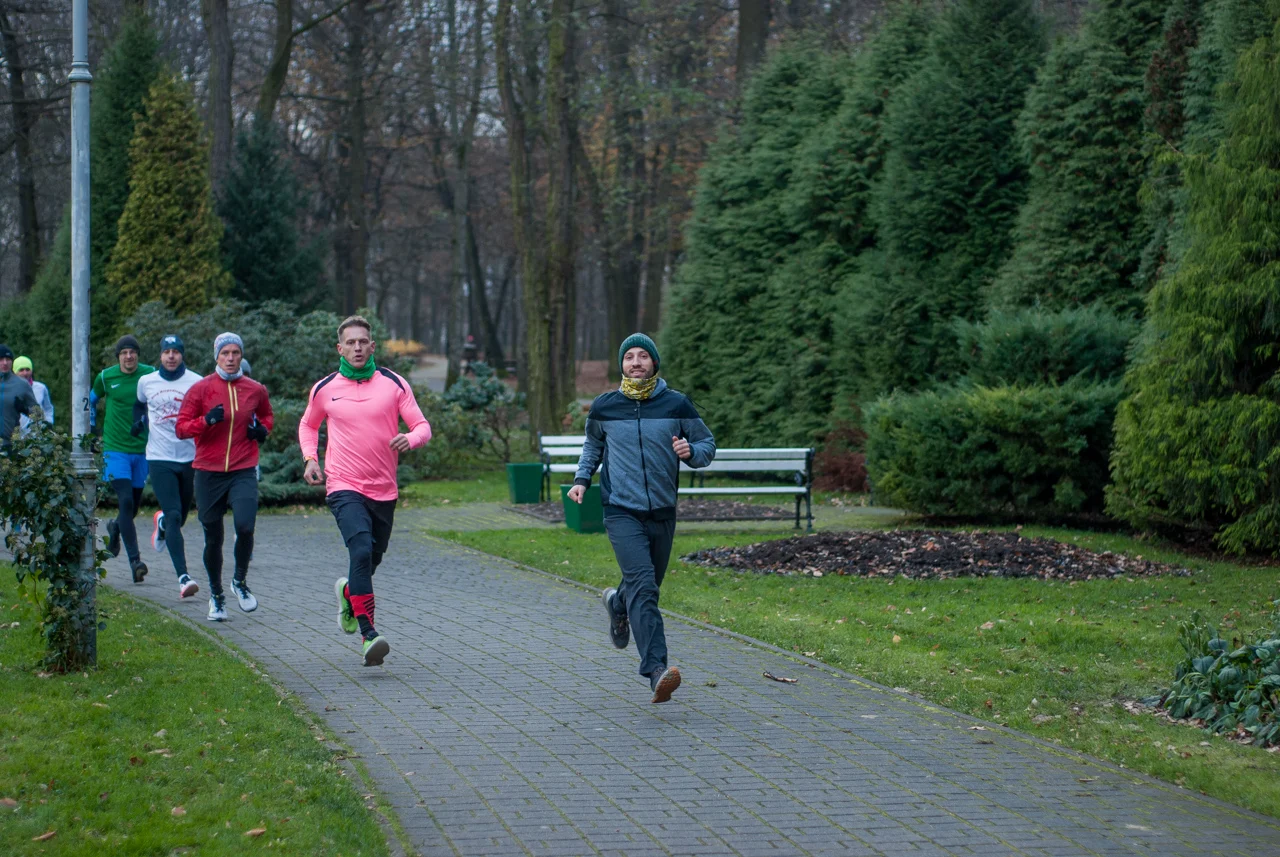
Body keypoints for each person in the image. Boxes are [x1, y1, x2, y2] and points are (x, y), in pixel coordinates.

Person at [568, 333, 716, 703]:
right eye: (629, 356)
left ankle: (618, 603)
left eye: (643, 356)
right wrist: (582, 479)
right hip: (620, 510)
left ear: (654, 363)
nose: (636, 362)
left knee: (643, 588)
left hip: (662, 511)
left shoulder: (676, 404)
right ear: (622, 364)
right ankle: (656, 671)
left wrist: (691, 451)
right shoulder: (605, 406)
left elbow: (707, 444)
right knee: (644, 587)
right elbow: (593, 445)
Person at [299, 315, 432, 667]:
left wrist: (411, 439)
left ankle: (348, 592)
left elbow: (422, 426)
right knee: (359, 551)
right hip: (343, 485)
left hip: (384, 489)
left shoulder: (393, 384)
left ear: (372, 347)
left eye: (363, 342)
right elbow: (308, 425)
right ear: (339, 348)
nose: (357, 348)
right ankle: (368, 634)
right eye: (350, 343)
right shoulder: (325, 388)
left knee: (370, 561)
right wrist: (311, 459)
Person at [176, 333, 273, 622]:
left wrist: (262, 431)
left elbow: (266, 416)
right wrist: (205, 421)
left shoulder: (255, 389)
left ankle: (239, 581)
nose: (230, 358)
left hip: (243, 468)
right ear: (216, 356)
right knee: (213, 537)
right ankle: (216, 595)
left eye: (235, 353)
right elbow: (181, 428)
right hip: (208, 471)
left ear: (241, 355)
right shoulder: (201, 389)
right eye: (225, 353)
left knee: (245, 526)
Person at [134, 335, 202, 599]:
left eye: (175, 351)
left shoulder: (196, 382)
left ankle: (161, 522)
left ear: (182, 355)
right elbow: (139, 404)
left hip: (188, 457)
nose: (171, 356)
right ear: (160, 355)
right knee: (174, 515)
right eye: (166, 352)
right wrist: (138, 422)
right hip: (159, 457)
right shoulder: (147, 381)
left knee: (179, 518)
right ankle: (183, 577)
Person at [92, 335, 156, 582]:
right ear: (118, 356)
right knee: (126, 501)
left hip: (142, 449)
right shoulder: (105, 377)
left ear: (138, 354)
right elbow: (90, 400)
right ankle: (135, 562)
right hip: (115, 449)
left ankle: (115, 528)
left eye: (132, 352)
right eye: (124, 353)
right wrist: (92, 429)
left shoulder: (150, 374)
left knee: (133, 507)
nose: (129, 356)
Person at [0, 344, 36, 449]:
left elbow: (38, 414)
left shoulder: (22, 384)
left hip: (10, 445)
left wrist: (25, 409)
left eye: (8, 359)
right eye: (1, 359)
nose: (5, 363)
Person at [13, 356, 54, 433]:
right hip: (15, 435)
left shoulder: (41, 388)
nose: (25, 373)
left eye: (27, 369)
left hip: (37, 436)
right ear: (14, 372)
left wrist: (49, 422)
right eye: (21, 370)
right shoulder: (8, 389)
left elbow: (48, 408)